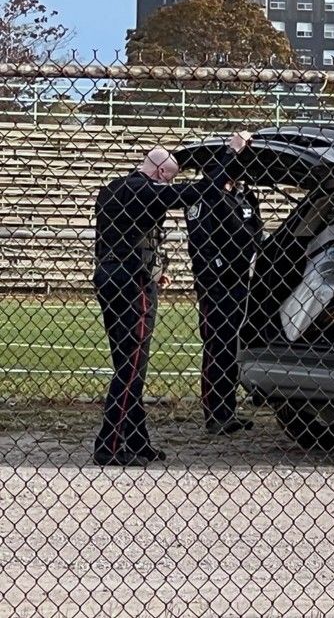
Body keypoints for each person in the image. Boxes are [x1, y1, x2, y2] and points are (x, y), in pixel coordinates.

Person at [92, 133, 249, 467]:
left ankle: (137, 440)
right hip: (132, 283)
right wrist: (230, 153)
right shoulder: (145, 190)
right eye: (170, 178)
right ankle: (110, 444)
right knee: (132, 368)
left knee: (128, 364)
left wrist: (155, 264)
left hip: (109, 275)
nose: (170, 184)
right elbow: (201, 191)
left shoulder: (112, 189)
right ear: (161, 173)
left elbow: (128, 234)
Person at [184, 173, 263, 435]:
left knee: (232, 348)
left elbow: (256, 231)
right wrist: (214, 274)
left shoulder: (244, 195)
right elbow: (201, 242)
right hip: (217, 284)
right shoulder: (205, 195)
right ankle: (215, 413)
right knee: (217, 347)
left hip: (242, 279)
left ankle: (228, 410)